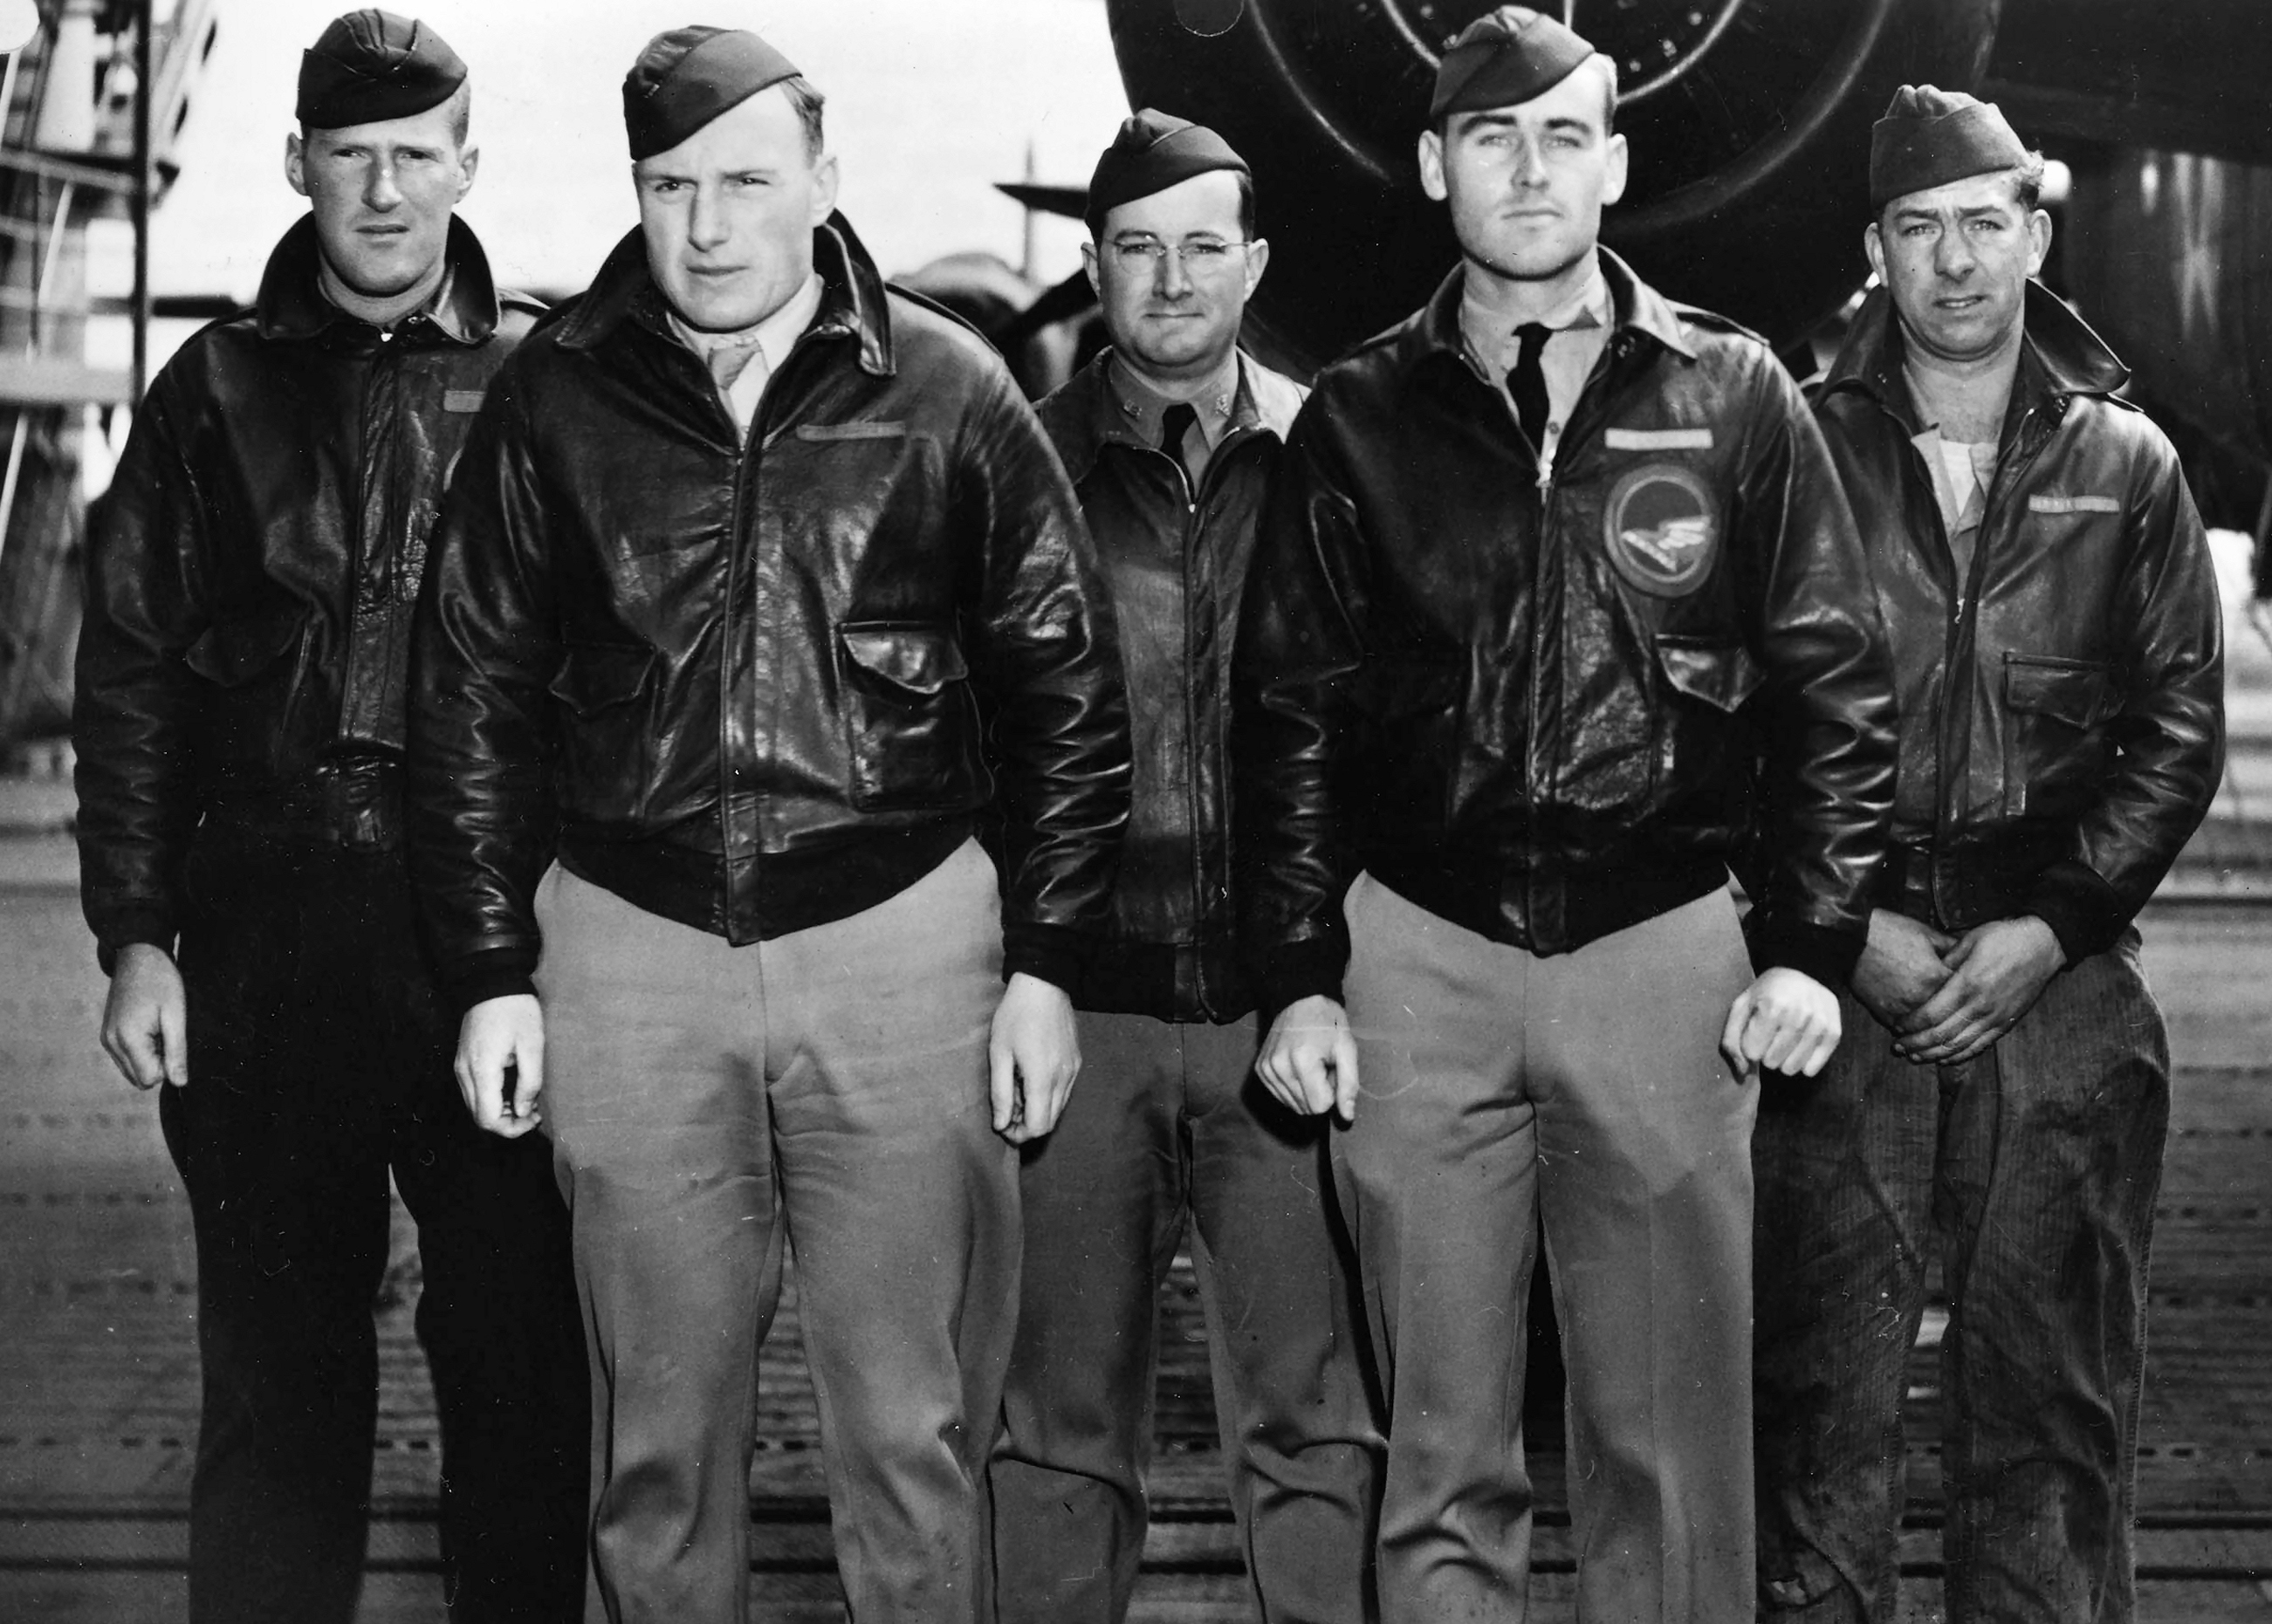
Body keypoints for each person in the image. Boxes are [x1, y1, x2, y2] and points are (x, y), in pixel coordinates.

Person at [404, 26, 1129, 1621]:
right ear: (636, 193)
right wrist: (487, 967)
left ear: (824, 177)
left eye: (747, 180)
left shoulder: (952, 392)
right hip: (632, 944)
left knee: (911, 1428)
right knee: (651, 1452)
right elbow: (468, 696)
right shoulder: (554, 400)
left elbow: (1069, 690)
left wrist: (1049, 959)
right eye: (672, 187)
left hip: (901, 944)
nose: (709, 224)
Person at [1232, 7, 1898, 1617]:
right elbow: (1290, 718)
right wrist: (1302, 972)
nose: (1527, 172)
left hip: (1664, 957)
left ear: (1614, 159)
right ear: (1430, 164)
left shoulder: (1735, 395)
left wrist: (1807, 944)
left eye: (1559, 138)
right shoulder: (1359, 417)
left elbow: (1839, 686)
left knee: (1669, 1453)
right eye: (1490, 139)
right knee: (1441, 1452)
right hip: (1421, 963)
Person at [71, 12, 588, 1622]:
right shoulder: (210, 389)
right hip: (263, 936)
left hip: (487, 934)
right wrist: (137, 939)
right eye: (350, 157)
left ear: (467, 165)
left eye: (415, 156)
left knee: (518, 1366)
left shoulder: (550, 385)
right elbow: (136, 676)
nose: (382, 191)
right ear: (296, 163)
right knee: (279, 1382)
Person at [1752, 86, 2225, 1623]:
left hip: (2063, 974)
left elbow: (2175, 730)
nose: (1953, 264)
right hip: (1845, 966)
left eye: (1981, 224)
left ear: (2036, 230)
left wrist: (2056, 925)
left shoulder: (2132, 464)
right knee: (1818, 1429)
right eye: (1916, 231)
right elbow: (1730, 719)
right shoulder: (1796, 448)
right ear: (1874, 252)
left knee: (2053, 1421)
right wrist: (1841, 929)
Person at [986, 111, 1383, 1623]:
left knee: (1314, 1423)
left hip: (1278, 1016)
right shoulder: (1014, 468)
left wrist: (1327, 967)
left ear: (1254, 261)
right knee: (1060, 1435)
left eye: (1202, 245)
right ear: (1093, 264)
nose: (1169, 279)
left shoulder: (1329, 461)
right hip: (1077, 1014)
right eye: (1137, 248)